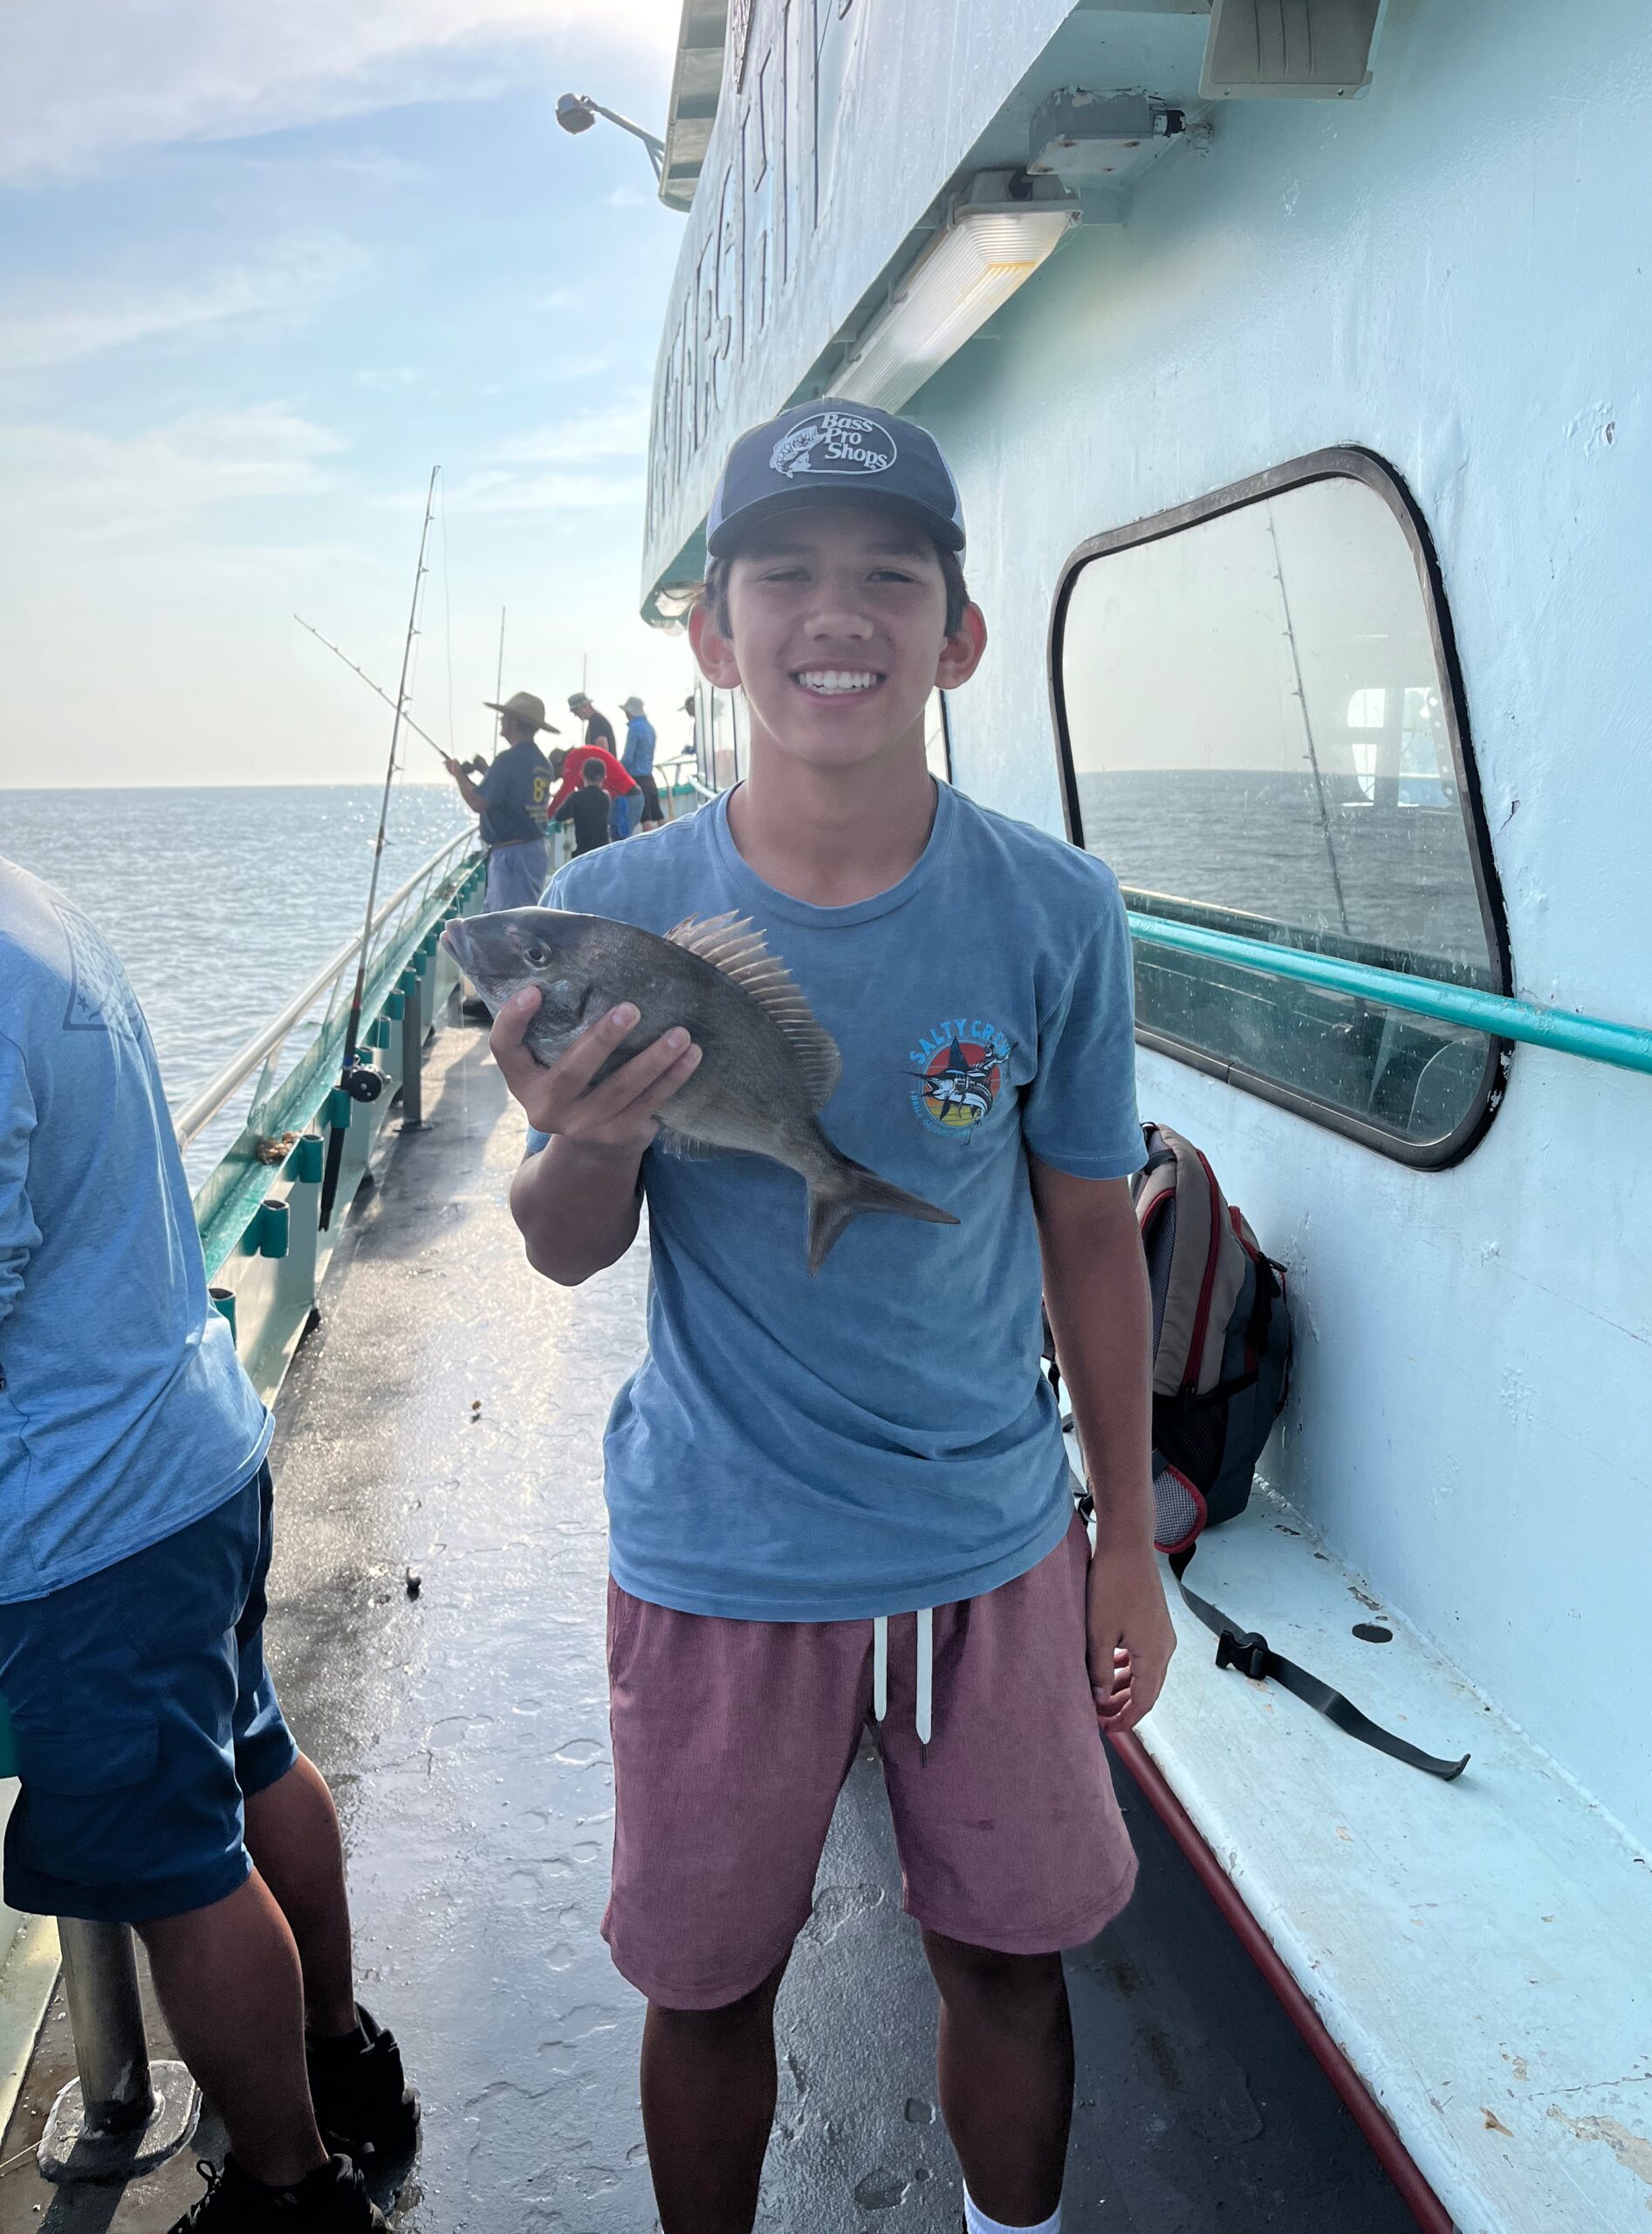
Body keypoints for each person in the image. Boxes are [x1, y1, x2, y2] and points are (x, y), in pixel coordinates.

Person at [487, 401, 1173, 2234]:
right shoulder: (613, 908)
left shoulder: (1058, 909)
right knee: (705, 1985)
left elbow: (1095, 1236)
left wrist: (1126, 1539)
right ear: (714, 634)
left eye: (889, 573)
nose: (832, 612)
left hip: (992, 1540)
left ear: (956, 631)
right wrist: (578, 1140)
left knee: (1017, 1967)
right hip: (722, 1546)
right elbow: (561, 1248)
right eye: (782, 573)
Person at [0, 858, 417, 2233]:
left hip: (82, 1527)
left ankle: (292, 2197)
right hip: (187, 1458)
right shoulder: (31, 902)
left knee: (182, 1872)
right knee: (249, 1757)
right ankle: (345, 2064)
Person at [446, 690, 554, 910]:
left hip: (512, 857)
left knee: (507, 925)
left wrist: (457, 773)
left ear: (514, 722)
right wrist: (486, 770)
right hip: (533, 850)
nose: (501, 721)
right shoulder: (541, 761)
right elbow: (514, 792)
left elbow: (478, 802)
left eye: (504, 717)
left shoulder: (508, 760)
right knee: (519, 916)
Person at [546, 737, 641, 836]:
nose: (562, 776)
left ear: (558, 765)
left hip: (626, 799)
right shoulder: (579, 756)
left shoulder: (572, 759)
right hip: (626, 798)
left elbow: (565, 791)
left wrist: (547, 816)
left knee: (618, 846)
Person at [548, 757, 613, 856]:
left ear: (582, 775)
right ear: (604, 777)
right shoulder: (606, 797)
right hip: (603, 851)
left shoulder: (576, 797)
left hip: (584, 852)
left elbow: (559, 816)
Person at [619, 696, 664, 831]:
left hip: (637, 779)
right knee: (658, 814)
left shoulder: (634, 729)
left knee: (646, 817)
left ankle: (649, 850)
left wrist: (617, 769)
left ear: (630, 712)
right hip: (649, 777)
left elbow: (628, 758)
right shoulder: (649, 728)